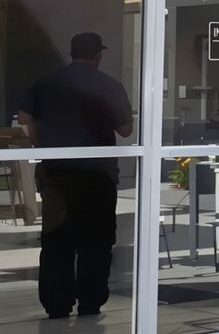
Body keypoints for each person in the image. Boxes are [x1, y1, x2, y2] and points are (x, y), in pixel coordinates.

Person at [18, 32, 134, 320]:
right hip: (97, 174)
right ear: (98, 55)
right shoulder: (109, 85)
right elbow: (125, 130)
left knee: (57, 240)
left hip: (57, 173)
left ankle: (56, 304)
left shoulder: (45, 83)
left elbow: (24, 119)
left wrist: (41, 142)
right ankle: (91, 302)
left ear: (72, 53)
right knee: (96, 240)